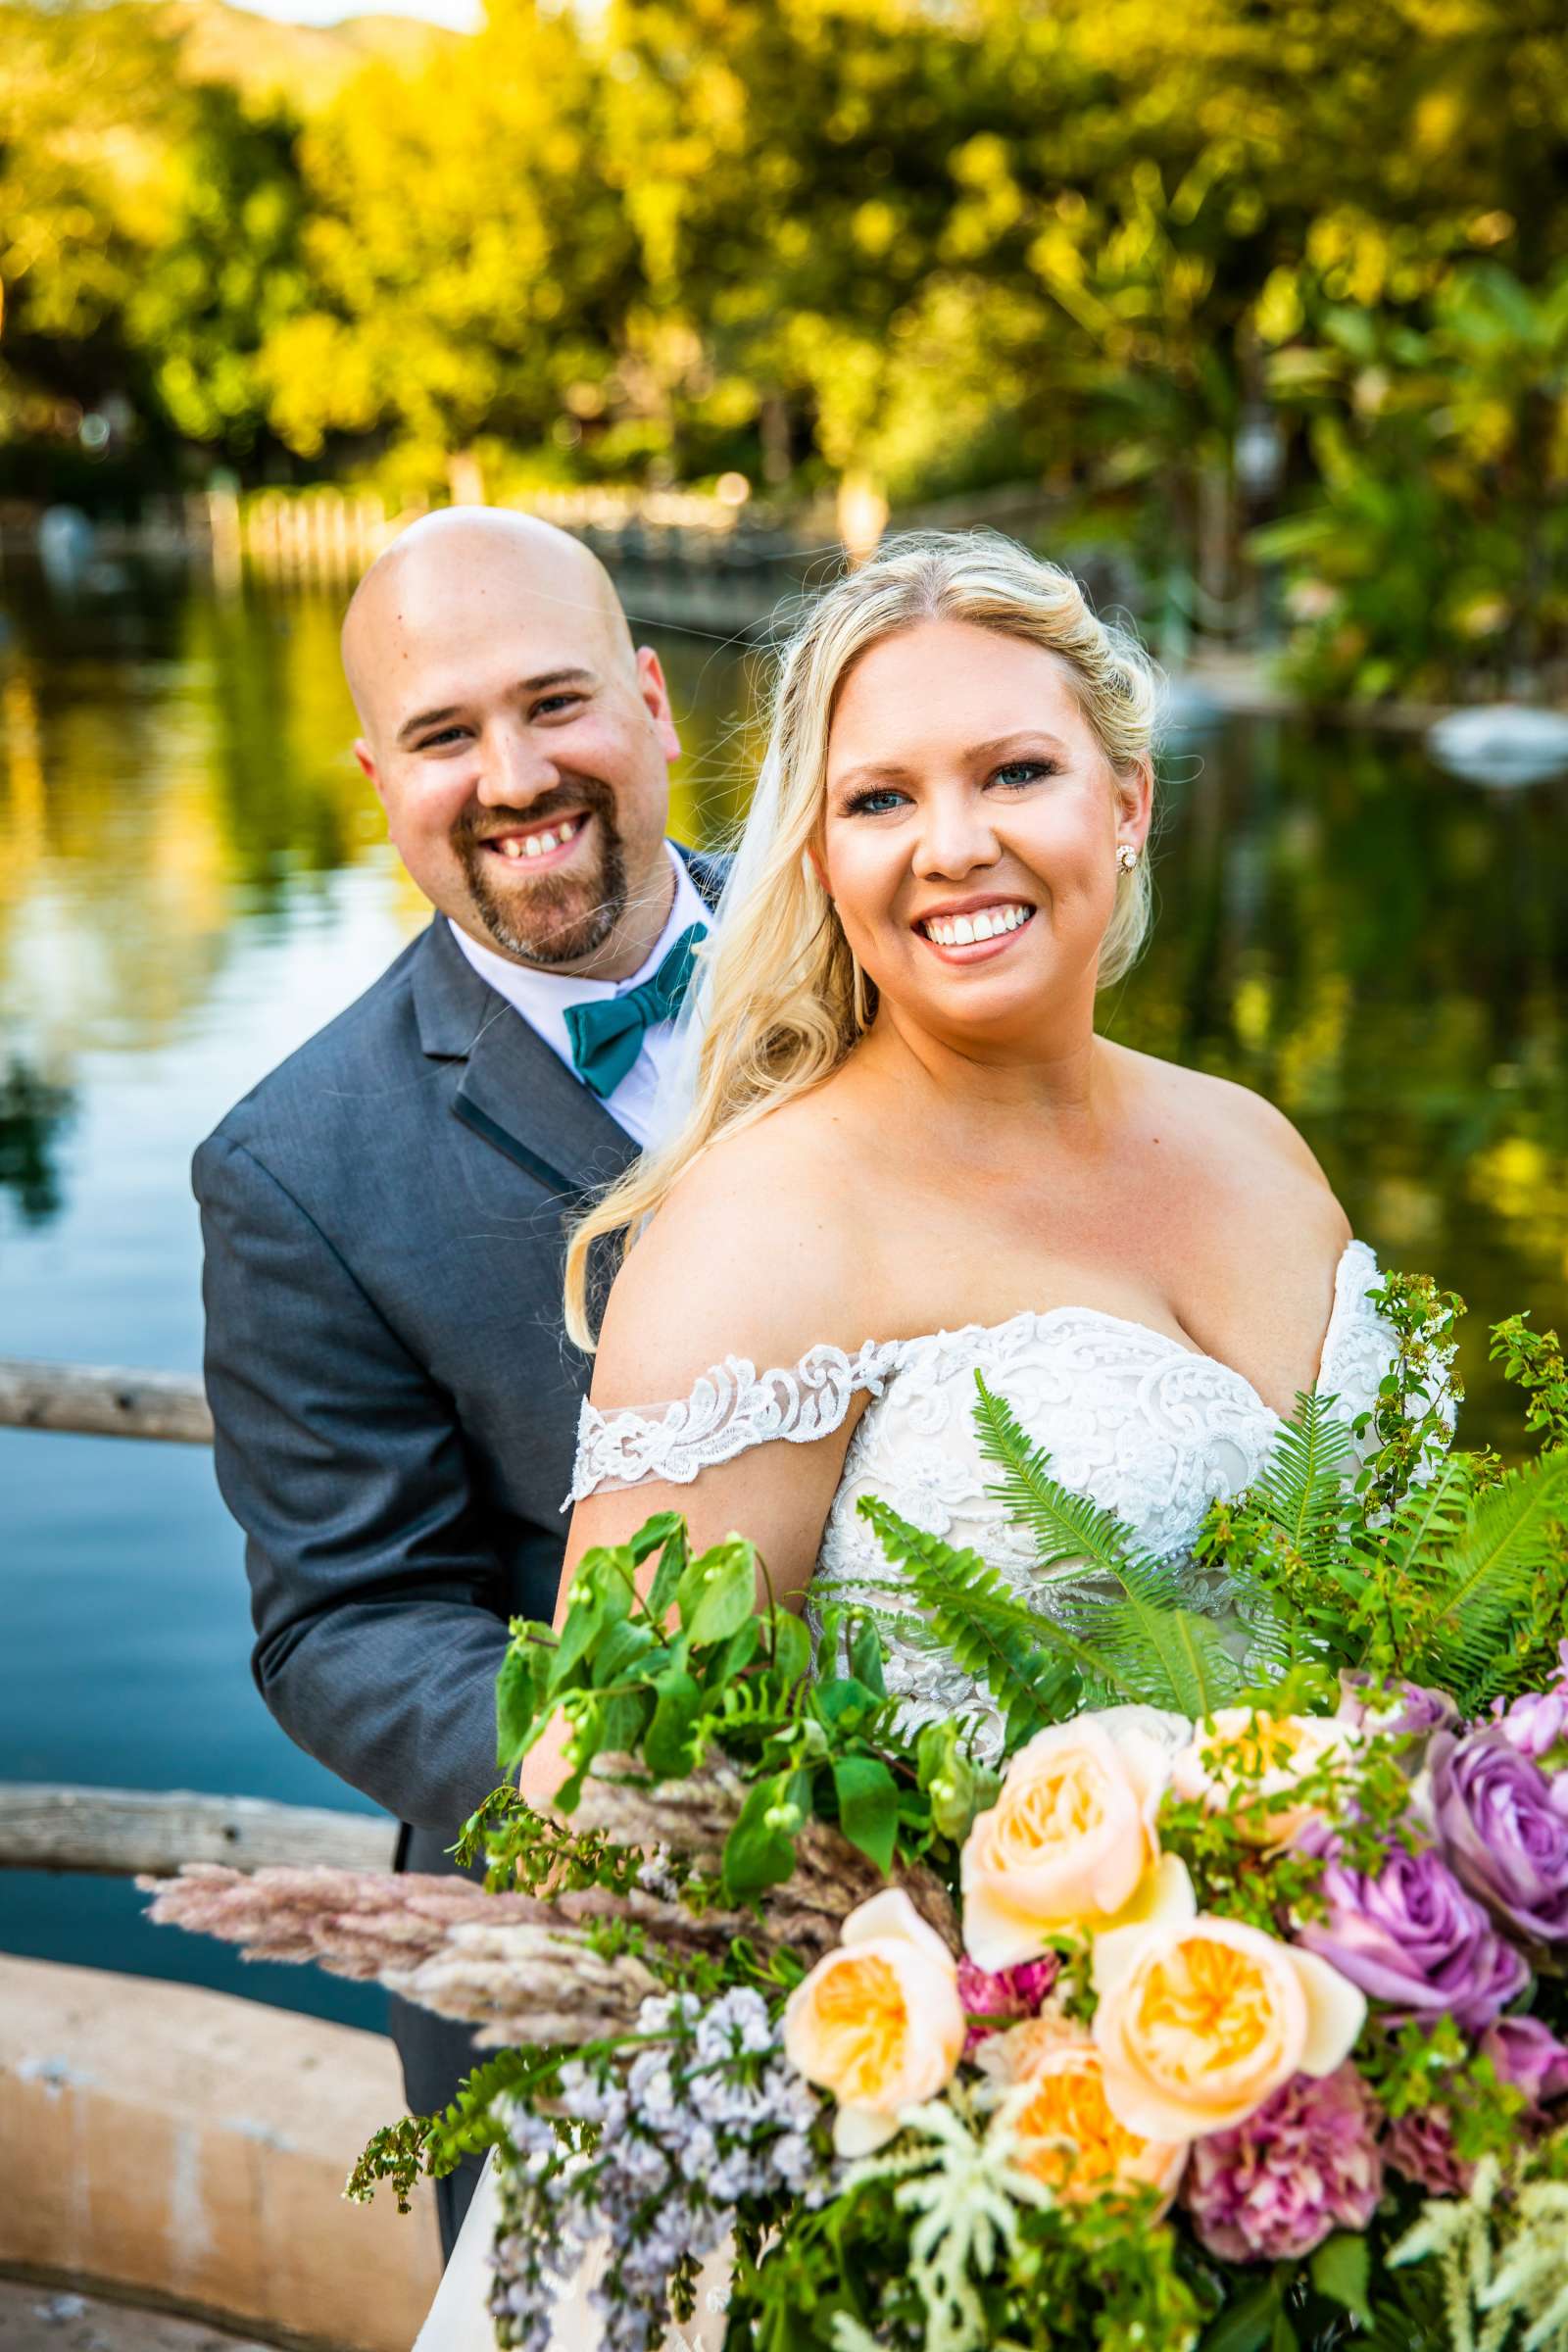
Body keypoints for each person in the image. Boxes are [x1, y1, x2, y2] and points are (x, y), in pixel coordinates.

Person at [416, 529, 1438, 2349]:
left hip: (1347, 2100)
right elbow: (606, 1819)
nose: (953, 842)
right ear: (822, 857)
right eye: (879, 795)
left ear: (1125, 804)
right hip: (955, 2187)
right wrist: (962, 2093)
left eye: (1016, 772)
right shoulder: (764, 1232)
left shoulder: (1257, 1142)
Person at [193, 508, 724, 2259]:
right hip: (568, 1960)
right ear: (378, 776)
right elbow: (343, 1620)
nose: (514, 775)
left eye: (555, 703)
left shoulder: (900, 948)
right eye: (442, 735)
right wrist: (655, 1780)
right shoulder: (294, 1166)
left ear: (651, 703)